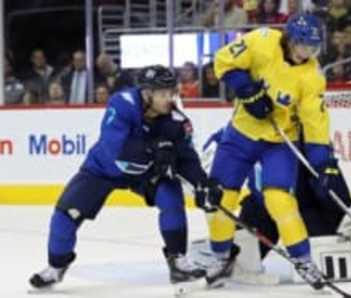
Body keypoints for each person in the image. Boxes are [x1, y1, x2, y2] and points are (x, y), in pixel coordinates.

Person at [29, 65, 222, 289]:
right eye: (162, 94)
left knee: (172, 200)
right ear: (147, 93)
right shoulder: (122, 104)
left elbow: (187, 158)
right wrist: (153, 149)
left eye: (172, 92)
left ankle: (178, 261)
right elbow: (115, 149)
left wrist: (202, 184)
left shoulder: (177, 121)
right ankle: (56, 267)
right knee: (66, 213)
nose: (169, 99)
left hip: (146, 173)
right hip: (104, 169)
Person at [198, 128, 351, 284]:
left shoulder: (302, 135)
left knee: (324, 244)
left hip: (303, 210)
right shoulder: (237, 133)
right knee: (243, 255)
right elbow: (209, 166)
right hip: (262, 210)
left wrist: (345, 209)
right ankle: (214, 255)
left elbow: (326, 177)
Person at [204, 14, 330, 289]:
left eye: (313, 47)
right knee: (221, 196)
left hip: (279, 142)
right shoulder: (262, 40)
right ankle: (221, 257)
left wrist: (322, 163)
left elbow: (315, 121)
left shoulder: (312, 76)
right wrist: (246, 89)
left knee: (279, 200)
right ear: (290, 39)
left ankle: (304, 260)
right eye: (304, 46)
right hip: (241, 134)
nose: (308, 53)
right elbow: (223, 60)